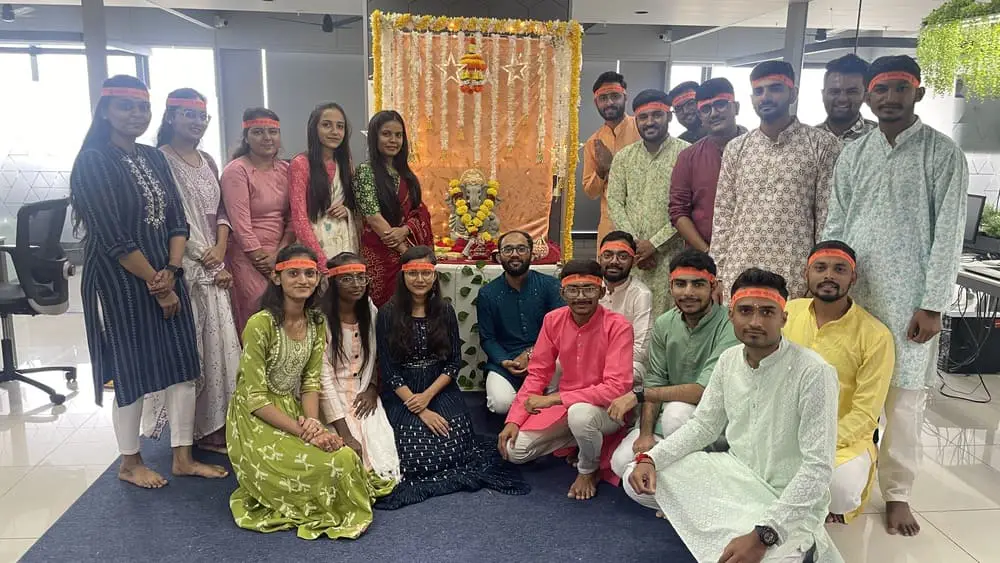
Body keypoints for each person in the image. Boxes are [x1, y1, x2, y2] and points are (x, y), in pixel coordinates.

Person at [823, 55, 968, 537]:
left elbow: (949, 234)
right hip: (856, 297)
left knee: (903, 402)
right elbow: (837, 223)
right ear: (868, 95)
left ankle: (898, 492)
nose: (889, 98)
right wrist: (828, 279)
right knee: (847, 390)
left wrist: (933, 304)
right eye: (880, 89)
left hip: (910, 303)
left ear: (918, 93)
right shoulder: (854, 153)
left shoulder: (942, 154)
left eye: (900, 88)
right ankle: (844, 472)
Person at [70, 75, 226, 488]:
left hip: (167, 272)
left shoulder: (153, 158)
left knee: (183, 364)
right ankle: (130, 462)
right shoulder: (93, 161)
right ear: (105, 111)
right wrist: (158, 285)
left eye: (142, 107)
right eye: (126, 106)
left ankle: (182, 457)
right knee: (132, 369)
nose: (136, 115)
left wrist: (171, 272)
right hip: (119, 281)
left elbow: (177, 220)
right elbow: (113, 237)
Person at [627, 269, 843, 563]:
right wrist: (652, 459)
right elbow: (703, 426)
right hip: (735, 474)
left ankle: (793, 544)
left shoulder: (814, 372)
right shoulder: (729, 360)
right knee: (636, 475)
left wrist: (765, 534)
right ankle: (737, 531)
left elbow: (818, 468)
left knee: (765, 555)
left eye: (767, 312)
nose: (755, 322)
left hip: (784, 494)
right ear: (731, 315)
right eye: (745, 311)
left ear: (783, 318)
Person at [226, 244, 395, 539]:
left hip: (294, 410)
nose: (303, 280)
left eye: (309, 273)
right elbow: (255, 399)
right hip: (255, 420)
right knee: (326, 465)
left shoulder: (316, 322)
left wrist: (314, 423)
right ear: (277, 278)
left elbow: (310, 382)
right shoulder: (260, 324)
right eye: (293, 273)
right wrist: (306, 432)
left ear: (318, 279)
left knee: (344, 458)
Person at [375, 246, 530, 509]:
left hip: (438, 388)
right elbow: (389, 370)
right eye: (413, 273)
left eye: (426, 272)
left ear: (434, 275)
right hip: (404, 392)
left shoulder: (444, 310)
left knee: (454, 440)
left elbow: (453, 362)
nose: (420, 279)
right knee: (413, 450)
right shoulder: (387, 314)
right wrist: (419, 408)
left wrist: (427, 397)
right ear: (403, 276)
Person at [151, 87, 242, 454]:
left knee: (223, 348)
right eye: (187, 114)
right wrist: (207, 256)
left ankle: (219, 425)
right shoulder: (160, 159)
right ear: (171, 117)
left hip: (215, 262)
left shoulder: (207, 160)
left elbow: (221, 211)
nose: (196, 121)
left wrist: (220, 250)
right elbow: (172, 218)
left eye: (201, 116)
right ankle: (193, 431)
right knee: (197, 349)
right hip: (185, 265)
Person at [498, 260, 634, 501]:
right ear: (562, 293)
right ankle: (583, 440)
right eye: (573, 290)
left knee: (580, 415)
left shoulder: (618, 326)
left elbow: (616, 389)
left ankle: (588, 469)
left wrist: (554, 399)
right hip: (567, 407)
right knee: (513, 450)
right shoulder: (553, 320)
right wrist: (514, 419)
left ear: (602, 292)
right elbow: (538, 373)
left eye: (589, 289)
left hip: (608, 410)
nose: (581, 297)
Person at [710, 61, 842, 302]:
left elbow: (827, 218)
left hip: (796, 275)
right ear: (752, 98)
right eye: (759, 91)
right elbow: (723, 215)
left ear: (793, 93)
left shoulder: (822, 144)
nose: (766, 97)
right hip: (738, 272)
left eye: (775, 89)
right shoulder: (737, 148)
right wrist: (717, 275)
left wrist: (820, 275)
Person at [784, 241, 894, 524]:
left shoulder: (875, 335)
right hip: (781, 428)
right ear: (806, 274)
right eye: (820, 268)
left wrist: (816, 442)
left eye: (840, 269)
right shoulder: (788, 312)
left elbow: (865, 414)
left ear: (853, 278)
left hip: (839, 439)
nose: (829, 275)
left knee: (839, 491)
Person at [609, 250, 738, 478]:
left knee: (676, 414)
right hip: (665, 418)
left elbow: (702, 391)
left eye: (698, 284)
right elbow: (655, 379)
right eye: (680, 284)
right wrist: (646, 434)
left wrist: (639, 395)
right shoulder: (665, 323)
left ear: (714, 286)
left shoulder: (729, 325)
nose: (688, 292)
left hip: (712, 423)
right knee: (620, 464)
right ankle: (675, 483)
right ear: (671, 287)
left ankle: (696, 482)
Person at [318, 252, 401, 481]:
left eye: (360, 277)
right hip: (329, 398)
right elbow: (322, 378)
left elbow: (376, 356)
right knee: (345, 458)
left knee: (383, 458)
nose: (356, 284)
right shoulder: (319, 320)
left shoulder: (370, 310)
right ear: (332, 282)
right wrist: (345, 433)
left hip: (362, 392)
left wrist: (372, 388)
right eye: (347, 278)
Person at [607, 88, 688, 317]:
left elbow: (687, 208)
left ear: (669, 116)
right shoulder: (624, 157)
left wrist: (654, 244)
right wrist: (636, 246)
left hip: (670, 257)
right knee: (629, 320)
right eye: (643, 117)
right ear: (636, 121)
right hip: (632, 259)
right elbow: (614, 202)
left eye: (657, 115)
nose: (650, 122)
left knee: (668, 319)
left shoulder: (686, 154)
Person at [221, 107, 293, 335]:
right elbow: (239, 223)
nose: (267, 138)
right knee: (257, 314)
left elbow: (293, 218)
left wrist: (279, 255)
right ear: (246, 137)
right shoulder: (237, 170)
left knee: (286, 316)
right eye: (258, 132)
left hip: (280, 255)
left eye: (273, 132)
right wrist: (261, 259)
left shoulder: (286, 169)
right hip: (247, 257)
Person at [477, 230, 564, 415]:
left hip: (548, 358)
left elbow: (560, 331)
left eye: (521, 249)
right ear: (499, 256)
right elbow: (488, 338)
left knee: (556, 394)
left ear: (531, 254)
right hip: (507, 362)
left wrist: (531, 354)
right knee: (500, 404)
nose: (515, 254)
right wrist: (504, 361)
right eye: (508, 249)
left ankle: (541, 412)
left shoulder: (550, 286)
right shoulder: (488, 293)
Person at [354, 111, 434, 307]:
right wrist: (408, 255)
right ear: (374, 137)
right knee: (383, 308)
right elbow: (373, 217)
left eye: (398, 135)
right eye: (386, 134)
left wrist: (405, 230)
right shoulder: (366, 171)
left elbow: (419, 212)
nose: (393, 140)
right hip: (380, 253)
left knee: (411, 308)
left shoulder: (406, 174)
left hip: (406, 248)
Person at [669, 78, 747, 252]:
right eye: (706, 109)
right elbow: (678, 211)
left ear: (736, 107)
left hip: (754, 253)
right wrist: (707, 254)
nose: (713, 114)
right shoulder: (688, 157)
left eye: (721, 105)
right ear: (700, 116)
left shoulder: (758, 150)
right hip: (704, 256)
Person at [288, 102, 359, 275]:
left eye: (340, 126)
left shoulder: (346, 163)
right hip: (314, 243)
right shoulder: (301, 164)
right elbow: (299, 217)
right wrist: (320, 261)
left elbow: (354, 204)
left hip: (344, 241)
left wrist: (346, 210)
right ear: (314, 129)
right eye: (327, 125)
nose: (335, 131)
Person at [581, 71, 641, 246]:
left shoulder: (642, 129)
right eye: (603, 98)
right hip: (610, 225)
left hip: (643, 221)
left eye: (615, 96)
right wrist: (601, 171)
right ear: (596, 103)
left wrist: (612, 166)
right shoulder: (593, 142)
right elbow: (590, 192)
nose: (609, 103)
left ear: (625, 97)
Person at [596, 231, 652, 386]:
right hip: (589, 359)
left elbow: (641, 350)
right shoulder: (590, 289)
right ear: (599, 259)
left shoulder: (641, 294)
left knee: (633, 371)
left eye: (622, 256)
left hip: (627, 362)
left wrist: (606, 363)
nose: (614, 261)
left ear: (633, 262)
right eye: (608, 255)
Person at [817, 54, 878, 142]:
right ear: (823, 95)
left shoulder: (881, 136)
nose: (842, 99)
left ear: (865, 96)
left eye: (852, 92)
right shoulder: (806, 138)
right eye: (834, 91)